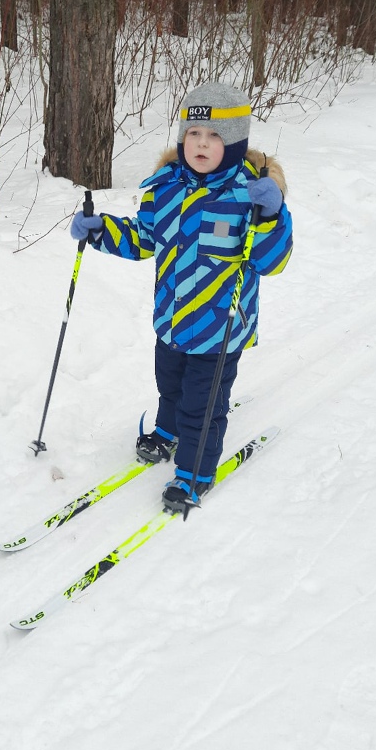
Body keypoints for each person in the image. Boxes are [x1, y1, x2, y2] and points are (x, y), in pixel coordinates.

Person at [71, 82, 293, 511]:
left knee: (202, 406)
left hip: (219, 330)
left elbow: (271, 261)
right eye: (194, 133)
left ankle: (195, 473)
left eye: (214, 136)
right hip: (170, 321)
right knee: (170, 387)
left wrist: (270, 216)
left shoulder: (250, 195)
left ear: (235, 142)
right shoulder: (165, 188)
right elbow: (144, 237)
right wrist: (101, 231)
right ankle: (167, 432)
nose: (201, 144)